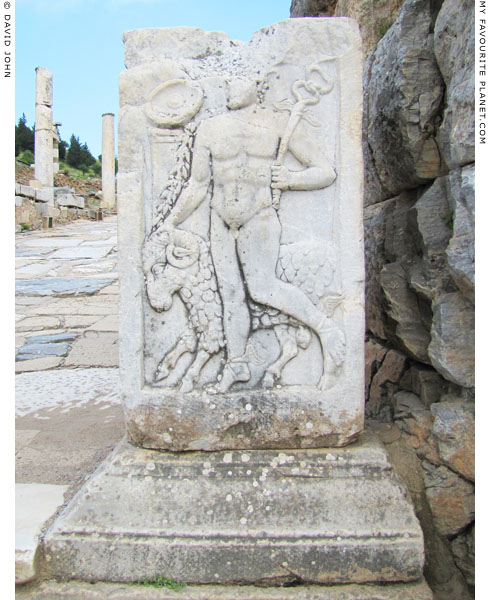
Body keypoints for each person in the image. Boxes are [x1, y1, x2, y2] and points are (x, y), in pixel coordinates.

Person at [164, 77, 345, 391]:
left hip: (259, 216)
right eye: (229, 81)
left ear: (259, 89)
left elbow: (325, 171)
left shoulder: (278, 123)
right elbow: (197, 184)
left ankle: (326, 329)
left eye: (241, 81)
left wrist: (290, 178)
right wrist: (171, 221)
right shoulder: (210, 128)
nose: (232, 86)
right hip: (220, 219)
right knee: (231, 294)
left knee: (262, 289)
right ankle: (236, 365)